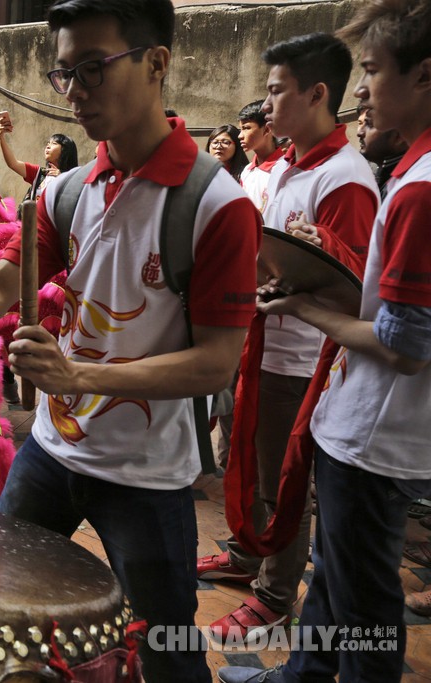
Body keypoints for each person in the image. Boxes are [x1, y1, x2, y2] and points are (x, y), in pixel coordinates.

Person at [0, 0, 261, 679]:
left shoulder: (215, 205)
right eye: (63, 73)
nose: (74, 92)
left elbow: (217, 363)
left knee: (168, 648)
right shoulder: (67, 192)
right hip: (49, 453)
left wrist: (79, 378)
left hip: (147, 475)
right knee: (5, 612)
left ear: (157, 62)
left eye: (92, 70)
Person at [218, 0, 431, 680]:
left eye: (372, 72)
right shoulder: (379, 172)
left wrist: (305, 299)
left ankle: (280, 608)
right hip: (359, 417)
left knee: (362, 598)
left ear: (423, 76)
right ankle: (301, 671)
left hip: (370, 424)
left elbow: (400, 337)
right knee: (339, 581)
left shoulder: (396, 184)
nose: (361, 92)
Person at [199, 32, 379, 644]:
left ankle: (274, 599)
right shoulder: (289, 169)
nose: (266, 105)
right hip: (269, 340)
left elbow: (353, 286)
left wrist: (307, 260)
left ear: (317, 93)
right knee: (250, 461)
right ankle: (250, 557)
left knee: (283, 481)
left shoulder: (345, 177)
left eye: (277, 91)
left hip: (303, 357)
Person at [0, 111, 79, 200]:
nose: (48, 146)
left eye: (54, 143)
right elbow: (13, 164)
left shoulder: (74, 179)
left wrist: (62, 177)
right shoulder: (39, 174)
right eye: (48, 143)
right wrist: (0, 138)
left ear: (65, 150)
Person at [237, 99, 284, 210]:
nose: (240, 135)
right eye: (240, 129)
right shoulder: (247, 171)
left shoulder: (284, 169)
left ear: (267, 129)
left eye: (246, 128)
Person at [357, 103, 409, 198]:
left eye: (369, 124)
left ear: (398, 135)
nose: (359, 132)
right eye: (360, 123)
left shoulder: (408, 186)